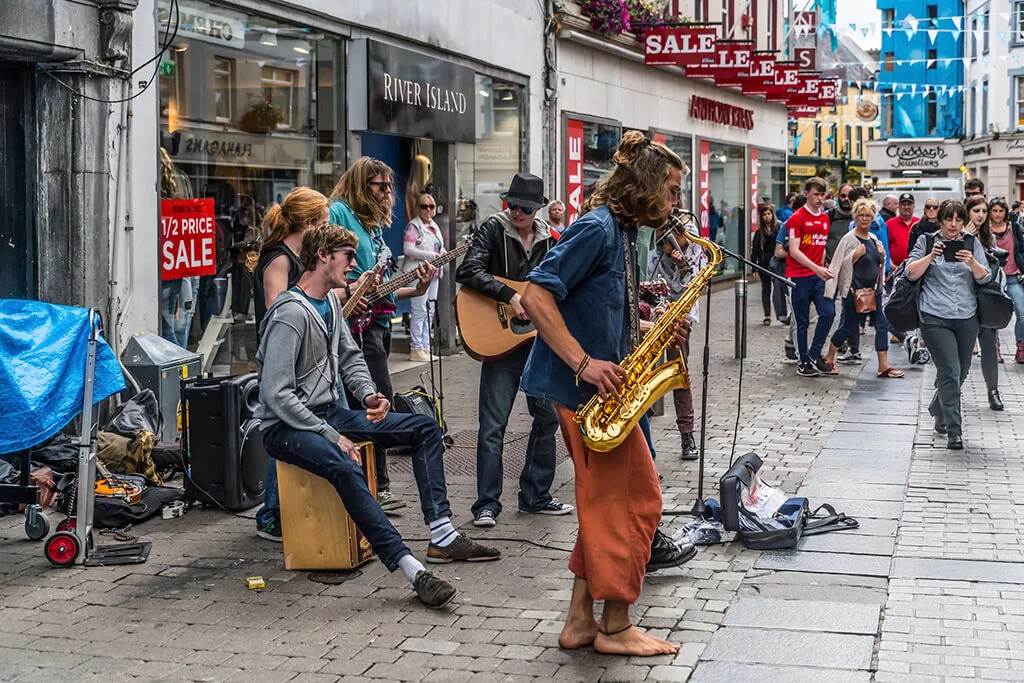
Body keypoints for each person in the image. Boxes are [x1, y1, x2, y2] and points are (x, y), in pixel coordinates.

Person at [256, 224, 500, 608]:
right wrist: (330, 434)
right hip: (285, 427)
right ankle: (411, 568)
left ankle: (443, 534)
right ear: (323, 255)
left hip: (327, 414)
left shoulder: (332, 304)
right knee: (344, 462)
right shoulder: (291, 313)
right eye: (348, 256)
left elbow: (351, 358)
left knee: (424, 427)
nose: (355, 265)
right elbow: (275, 394)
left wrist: (370, 395)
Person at [520, 131, 692, 657]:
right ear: (643, 186)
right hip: (582, 391)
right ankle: (615, 625)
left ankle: (578, 620)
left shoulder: (621, 232)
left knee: (605, 505)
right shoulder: (596, 229)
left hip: (601, 390)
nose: (675, 203)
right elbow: (535, 295)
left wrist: (650, 329)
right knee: (640, 498)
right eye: (670, 190)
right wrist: (583, 362)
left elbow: (595, 308)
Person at [455, 173, 571, 528]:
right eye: (513, 205)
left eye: (525, 207)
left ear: (537, 209)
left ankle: (535, 495)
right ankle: (486, 504)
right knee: (492, 426)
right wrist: (511, 296)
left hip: (537, 343)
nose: (517, 212)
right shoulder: (493, 229)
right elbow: (468, 270)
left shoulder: (550, 241)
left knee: (548, 418)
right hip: (501, 342)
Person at [329, 157, 435, 512]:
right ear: (361, 186)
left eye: (389, 186)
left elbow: (381, 290)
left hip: (378, 322)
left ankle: (377, 483)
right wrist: (348, 289)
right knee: (375, 399)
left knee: (375, 397)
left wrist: (416, 290)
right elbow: (327, 266)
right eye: (380, 186)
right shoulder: (339, 213)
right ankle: (379, 486)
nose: (388, 193)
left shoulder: (372, 227)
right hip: (352, 325)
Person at [252, 186, 330, 541]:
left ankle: (290, 508)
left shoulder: (301, 256)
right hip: (283, 361)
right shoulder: (279, 258)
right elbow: (277, 309)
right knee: (282, 434)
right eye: (324, 221)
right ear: (310, 222)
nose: (327, 226)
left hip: (303, 359)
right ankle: (270, 514)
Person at [906, 200, 991, 450]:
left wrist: (972, 263)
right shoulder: (926, 241)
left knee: (960, 373)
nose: (953, 225)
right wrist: (931, 256)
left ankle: (938, 407)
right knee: (950, 371)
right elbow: (910, 273)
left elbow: (986, 277)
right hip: (934, 316)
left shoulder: (972, 242)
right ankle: (954, 430)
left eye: (958, 219)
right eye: (947, 219)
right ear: (940, 221)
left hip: (966, 315)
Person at [823, 198, 903, 377]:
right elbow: (837, 264)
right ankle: (829, 356)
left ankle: (883, 365)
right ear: (855, 217)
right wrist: (853, 256)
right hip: (854, 291)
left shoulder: (874, 239)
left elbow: (877, 265)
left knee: (881, 325)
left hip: (874, 291)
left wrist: (882, 256)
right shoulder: (849, 239)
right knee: (849, 326)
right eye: (861, 215)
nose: (865, 219)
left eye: (868, 215)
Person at [649, 214, 706, 460]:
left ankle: (687, 434)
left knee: (680, 373)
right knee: (644, 375)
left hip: (679, 316)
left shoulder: (693, 242)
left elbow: (694, 284)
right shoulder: (649, 236)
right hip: (648, 313)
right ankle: (640, 431)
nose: (668, 244)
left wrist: (683, 268)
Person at [787, 177, 836, 377]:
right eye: (816, 194)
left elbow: (820, 246)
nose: (819, 198)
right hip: (798, 276)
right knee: (802, 321)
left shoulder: (824, 218)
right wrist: (816, 267)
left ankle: (815, 354)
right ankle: (803, 361)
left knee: (828, 313)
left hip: (818, 276)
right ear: (806, 193)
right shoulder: (796, 218)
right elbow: (794, 250)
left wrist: (822, 265)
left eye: (822, 195)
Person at [963, 195, 1003, 409]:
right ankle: (947, 394)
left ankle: (993, 391)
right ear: (967, 212)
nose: (980, 215)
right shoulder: (959, 234)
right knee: (962, 350)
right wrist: (966, 237)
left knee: (989, 344)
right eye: (976, 211)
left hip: (985, 297)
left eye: (984, 211)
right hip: (962, 297)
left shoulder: (989, 237)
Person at [403, 192, 445, 363]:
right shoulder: (413, 227)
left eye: (431, 206)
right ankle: (416, 348)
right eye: (423, 206)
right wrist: (433, 256)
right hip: (418, 272)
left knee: (430, 310)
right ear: (418, 208)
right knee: (419, 311)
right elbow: (408, 249)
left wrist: (441, 253)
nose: (428, 209)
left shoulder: (434, 226)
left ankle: (426, 347)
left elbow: (439, 247)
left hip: (433, 273)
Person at [989, 197, 1024, 363]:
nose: (997, 214)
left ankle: (1021, 348)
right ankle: (994, 348)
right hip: (994, 279)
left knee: (1022, 313)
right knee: (994, 315)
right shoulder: (985, 229)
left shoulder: (1014, 227)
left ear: (1005, 212)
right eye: (994, 210)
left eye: (1000, 211)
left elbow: (1021, 249)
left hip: (1012, 277)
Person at [751, 202, 786, 325]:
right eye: (764, 214)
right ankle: (767, 315)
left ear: (772, 214)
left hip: (778, 262)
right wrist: (753, 268)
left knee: (780, 288)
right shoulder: (759, 232)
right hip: (764, 263)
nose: (767, 216)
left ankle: (782, 314)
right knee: (766, 289)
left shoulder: (779, 228)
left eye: (769, 214)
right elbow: (754, 251)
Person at [886, 193, 920, 269]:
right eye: (903, 204)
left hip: (916, 270)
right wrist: (892, 266)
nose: (906, 207)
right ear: (898, 206)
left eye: (909, 204)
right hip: (894, 270)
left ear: (914, 206)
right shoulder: (889, 224)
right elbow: (885, 248)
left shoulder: (919, 224)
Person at [825, 184, 855, 265]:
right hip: (831, 268)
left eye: (850, 196)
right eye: (843, 196)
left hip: (854, 268)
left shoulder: (860, 218)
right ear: (838, 196)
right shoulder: (827, 217)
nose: (846, 199)